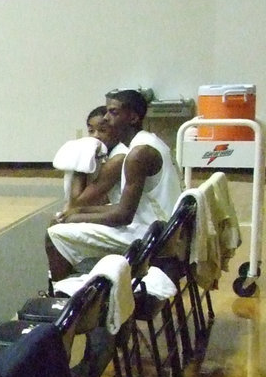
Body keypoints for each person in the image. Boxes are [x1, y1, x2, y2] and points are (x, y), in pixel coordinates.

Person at [45, 89, 182, 281]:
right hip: (157, 226)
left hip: (154, 236)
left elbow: (123, 216)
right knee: (67, 221)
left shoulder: (138, 154)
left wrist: (74, 217)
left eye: (113, 112)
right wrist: (79, 213)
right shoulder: (148, 141)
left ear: (133, 117)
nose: (106, 118)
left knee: (55, 234)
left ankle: (66, 299)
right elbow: (122, 208)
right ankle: (82, 292)